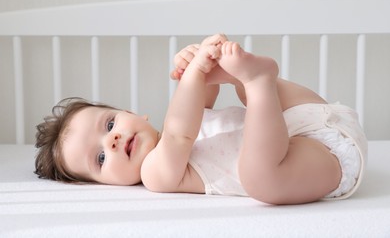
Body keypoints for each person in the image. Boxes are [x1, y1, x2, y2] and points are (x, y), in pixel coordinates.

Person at [35, 34, 367, 205]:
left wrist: (201, 61)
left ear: (134, 114)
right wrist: (193, 74)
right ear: (104, 185)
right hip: (320, 161)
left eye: (109, 125)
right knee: (259, 179)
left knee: (236, 86)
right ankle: (258, 81)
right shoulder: (156, 173)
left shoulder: (177, 130)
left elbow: (197, 106)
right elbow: (180, 131)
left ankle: (252, 79)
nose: (113, 140)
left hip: (309, 119)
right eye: (101, 157)